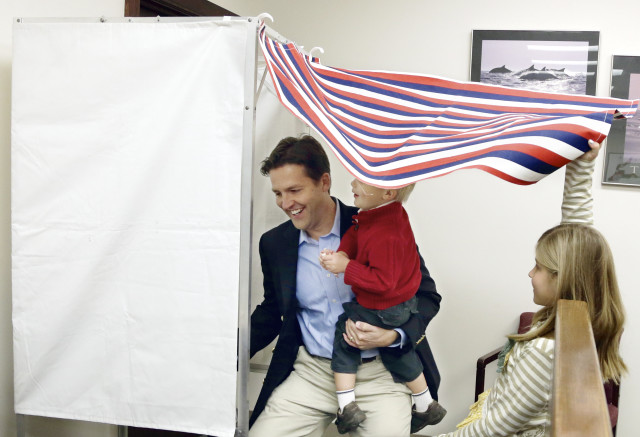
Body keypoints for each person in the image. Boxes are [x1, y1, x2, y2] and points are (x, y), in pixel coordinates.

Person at [250, 135, 442, 437]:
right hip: (311, 374)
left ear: (324, 182)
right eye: (277, 193)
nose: (286, 204)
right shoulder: (274, 243)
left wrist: (394, 335)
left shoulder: (379, 224)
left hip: (381, 374)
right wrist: (223, 353)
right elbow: (272, 311)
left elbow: (427, 296)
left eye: (294, 190)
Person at [434, 139, 627, 437]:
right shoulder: (580, 320)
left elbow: (493, 428)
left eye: (538, 266)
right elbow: (577, 238)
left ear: (563, 277)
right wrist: (583, 163)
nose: (530, 273)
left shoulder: (543, 351)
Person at [319, 179, 446, 434]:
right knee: (396, 351)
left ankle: (347, 406)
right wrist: (343, 252)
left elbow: (383, 281)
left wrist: (346, 267)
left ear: (388, 191)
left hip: (384, 304)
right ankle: (425, 402)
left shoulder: (386, 233)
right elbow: (357, 231)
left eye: (361, 181)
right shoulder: (382, 213)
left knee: (345, 336)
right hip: (399, 305)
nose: (352, 183)